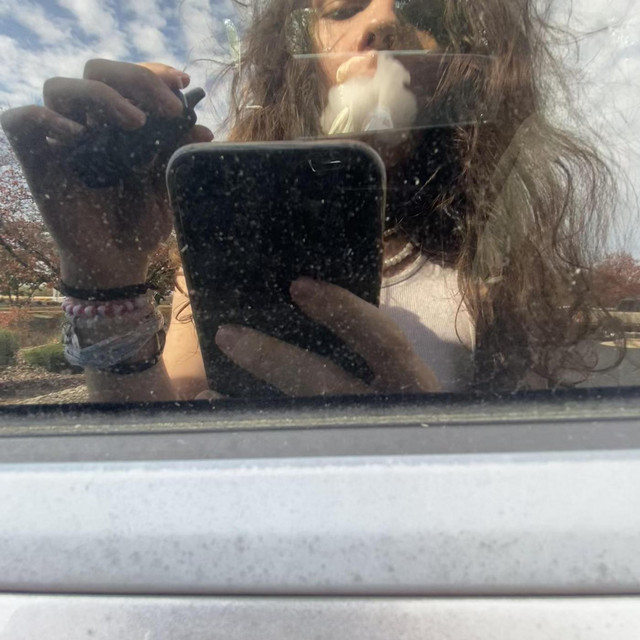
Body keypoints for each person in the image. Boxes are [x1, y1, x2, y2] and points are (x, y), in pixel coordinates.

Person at [0, 0, 618, 402]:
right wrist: (103, 280)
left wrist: (420, 444)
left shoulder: (501, 256)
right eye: (342, 7)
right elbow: (163, 455)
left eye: (424, 5)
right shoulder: (232, 226)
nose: (381, 19)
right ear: (300, 56)